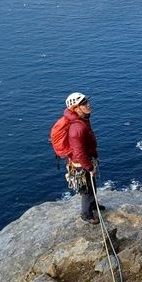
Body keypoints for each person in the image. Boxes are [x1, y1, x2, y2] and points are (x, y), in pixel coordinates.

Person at [64, 92, 104, 224]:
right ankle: (86, 215)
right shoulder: (77, 127)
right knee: (87, 190)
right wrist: (89, 167)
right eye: (84, 103)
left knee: (92, 188)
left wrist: (95, 157)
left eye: (87, 101)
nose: (88, 104)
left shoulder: (82, 120)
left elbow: (88, 145)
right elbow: (79, 152)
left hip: (86, 159)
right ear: (76, 109)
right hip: (81, 164)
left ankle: (93, 206)